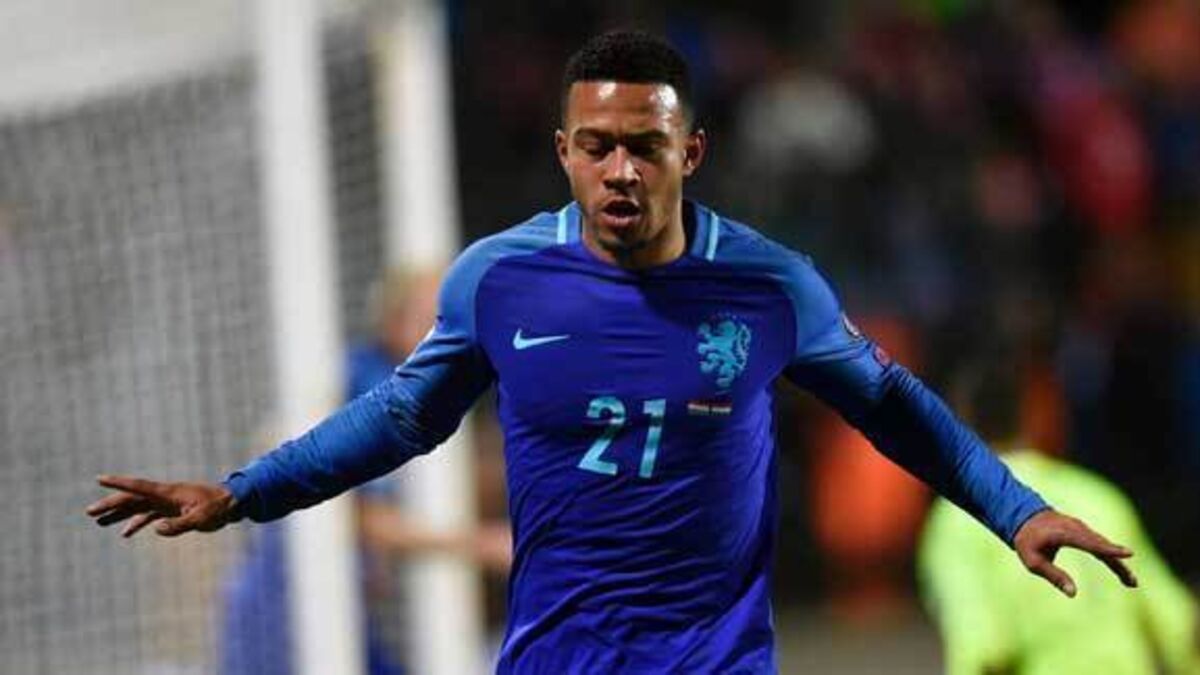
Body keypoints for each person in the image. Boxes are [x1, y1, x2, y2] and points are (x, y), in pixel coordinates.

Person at [88, 31, 1137, 673]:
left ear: (691, 151)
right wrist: (244, 492)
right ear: (565, 153)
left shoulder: (770, 287)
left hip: (716, 662)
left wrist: (1015, 510)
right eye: (597, 147)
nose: (621, 170)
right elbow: (401, 418)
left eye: (646, 145)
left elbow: (892, 405)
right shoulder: (501, 280)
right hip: (558, 660)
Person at [219, 269, 511, 675]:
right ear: (394, 321)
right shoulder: (372, 385)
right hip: (288, 609)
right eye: (435, 318)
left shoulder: (417, 393)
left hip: (330, 606)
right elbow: (356, 517)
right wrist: (480, 544)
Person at [918, 358, 1200, 675]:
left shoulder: (959, 520)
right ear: (1032, 417)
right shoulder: (1098, 496)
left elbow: (984, 648)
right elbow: (1178, 626)